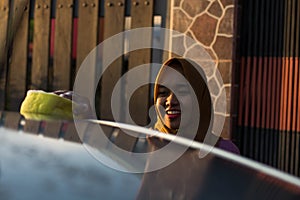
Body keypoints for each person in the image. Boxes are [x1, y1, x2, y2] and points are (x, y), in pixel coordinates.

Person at [150, 57, 240, 154]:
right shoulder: (145, 147)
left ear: (200, 97)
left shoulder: (224, 153)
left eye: (182, 91)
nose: (170, 101)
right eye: (163, 92)